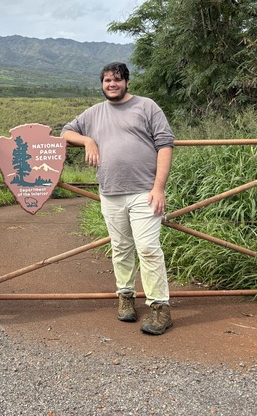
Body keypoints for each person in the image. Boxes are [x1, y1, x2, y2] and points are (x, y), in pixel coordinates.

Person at [61, 62, 175, 335]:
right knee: (121, 247)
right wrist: (88, 141)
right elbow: (66, 132)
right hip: (110, 193)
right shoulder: (94, 113)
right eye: (107, 81)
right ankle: (125, 296)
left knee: (148, 248)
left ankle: (160, 307)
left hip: (144, 192)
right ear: (102, 84)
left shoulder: (147, 106)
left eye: (117, 80)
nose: (112, 84)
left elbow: (165, 145)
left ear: (126, 82)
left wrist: (158, 188)